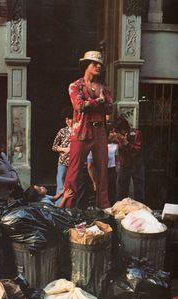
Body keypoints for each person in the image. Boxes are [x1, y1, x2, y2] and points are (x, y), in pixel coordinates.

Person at [64, 50, 113, 209]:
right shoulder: (75, 85)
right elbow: (79, 106)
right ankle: (68, 207)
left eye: (100, 64)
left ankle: (103, 206)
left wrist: (94, 103)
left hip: (100, 132)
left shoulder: (104, 88)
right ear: (86, 65)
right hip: (81, 132)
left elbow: (110, 108)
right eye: (95, 63)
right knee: (73, 173)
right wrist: (99, 101)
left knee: (102, 173)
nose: (98, 66)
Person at [113, 116, 145, 203]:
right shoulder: (116, 136)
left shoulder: (135, 133)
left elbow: (138, 150)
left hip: (136, 164)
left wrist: (126, 143)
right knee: (121, 190)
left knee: (138, 190)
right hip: (124, 163)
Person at [52, 106, 73, 205]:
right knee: (60, 184)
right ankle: (58, 206)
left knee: (71, 186)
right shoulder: (62, 131)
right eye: (67, 119)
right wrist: (64, 149)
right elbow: (54, 147)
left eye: (70, 118)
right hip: (62, 162)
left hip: (74, 163)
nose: (68, 121)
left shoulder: (78, 131)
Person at [107, 124, 119, 206]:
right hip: (103, 170)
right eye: (111, 132)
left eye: (114, 131)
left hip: (112, 170)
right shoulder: (101, 145)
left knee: (112, 191)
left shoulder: (115, 145)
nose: (114, 134)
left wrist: (117, 169)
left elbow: (116, 157)